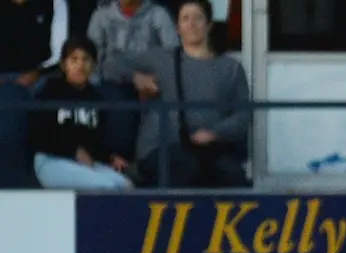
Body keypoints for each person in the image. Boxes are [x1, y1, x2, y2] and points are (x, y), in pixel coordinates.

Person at [101, 0, 250, 188]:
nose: (191, 24)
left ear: (209, 25)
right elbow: (110, 65)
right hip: (161, 150)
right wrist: (136, 78)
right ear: (177, 28)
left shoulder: (231, 68)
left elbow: (243, 115)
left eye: (197, 18)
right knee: (186, 170)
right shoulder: (162, 59)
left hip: (211, 152)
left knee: (234, 179)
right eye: (185, 19)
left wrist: (214, 133)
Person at [29, 35, 134, 189]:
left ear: (94, 65)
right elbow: (41, 136)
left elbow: (95, 142)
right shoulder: (49, 91)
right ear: (64, 64)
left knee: (125, 186)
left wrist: (110, 157)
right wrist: (73, 150)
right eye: (74, 59)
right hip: (51, 160)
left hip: (84, 163)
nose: (80, 65)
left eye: (86, 59)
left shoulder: (96, 98)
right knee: (107, 187)